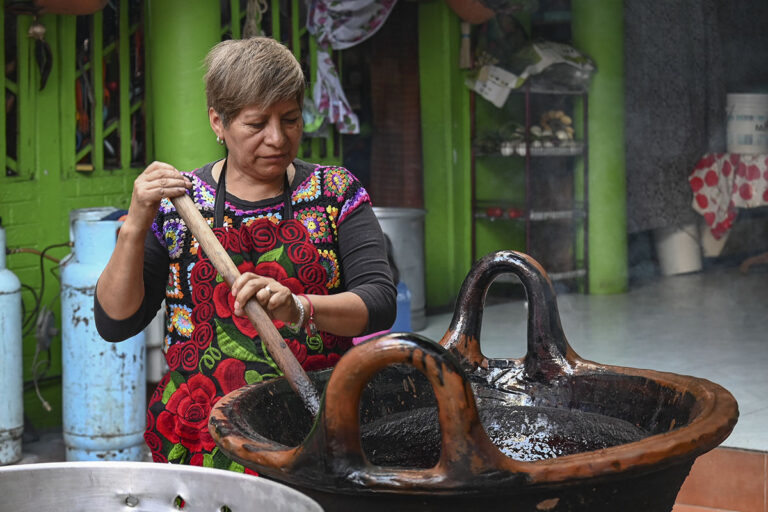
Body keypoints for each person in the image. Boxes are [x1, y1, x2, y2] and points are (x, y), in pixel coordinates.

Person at [94, 37, 397, 471]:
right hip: (207, 431)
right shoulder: (179, 205)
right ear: (218, 121)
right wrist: (136, 224)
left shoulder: (334, 194)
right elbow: (115, 321)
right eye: (257, 125)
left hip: (312, 423)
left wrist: (300, 307)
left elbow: (380, 302)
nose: (277, 138)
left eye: (290, 119)